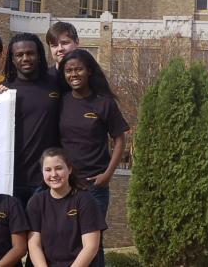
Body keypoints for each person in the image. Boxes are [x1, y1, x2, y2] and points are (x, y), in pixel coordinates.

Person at [57, 49, 129, 267]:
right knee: (66, 240)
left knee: (94, 243)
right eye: (68, 71)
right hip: (64, 186)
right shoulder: (61, 101)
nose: (73, 74)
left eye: (78, 69)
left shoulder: (104, 103)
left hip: (93, 186)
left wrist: (108, 174)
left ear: (89, 70)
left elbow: (119, 139)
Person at [1, 33, 60, 208]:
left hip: (47, 179)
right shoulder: (5, 91)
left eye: (30, 53)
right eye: (19, 55)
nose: (25, 58)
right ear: (12, 59)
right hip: (13, 180)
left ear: (39, 55)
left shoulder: (56, 84)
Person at [27, 148, 106, 267]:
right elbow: (34, 245)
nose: (54, 174)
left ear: (69, 169)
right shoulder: (36, 202)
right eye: (48, 170)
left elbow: (91, 247)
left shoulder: (85, 201)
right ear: (42, 172)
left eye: (59, 168)